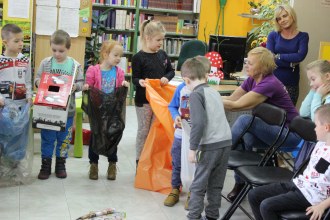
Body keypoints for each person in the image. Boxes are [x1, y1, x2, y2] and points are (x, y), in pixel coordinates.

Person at [222, 47, 301, 202]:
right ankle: (240, 184)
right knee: (246, 137)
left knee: (244, 120)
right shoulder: (252, 79)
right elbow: (232, 99)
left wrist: (207, 99)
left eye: (250, 63)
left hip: (289, 136)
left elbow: (235, 106)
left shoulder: (269, 83)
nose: (246, 66)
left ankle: (221, 151)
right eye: (246, 62)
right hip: (274, 131)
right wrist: (211, 98)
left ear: (262, 67)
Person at [248, 104, 330, 220]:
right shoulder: (320, 143)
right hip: (299, 184)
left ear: (327, 127)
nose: (314, 129)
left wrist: (322, 206)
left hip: (313, 197)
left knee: (267, 206)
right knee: (254, 195)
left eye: (316, 125)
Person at [180, 57, 232, 220]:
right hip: (226, 142)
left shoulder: (195, 95)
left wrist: (192, 149)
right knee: (216, 184)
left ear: (186, 80)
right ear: (206, 76)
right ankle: (212, 216)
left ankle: (194, 216)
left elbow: (198, 124)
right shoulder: (214, 91)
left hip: (210, 146)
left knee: (198, 184)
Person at [34, 30, 84, 180]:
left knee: (64, 138)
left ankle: (61, 164)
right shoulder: (46, 63)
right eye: (54, 50)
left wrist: (76, 86)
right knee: (48, 137)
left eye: (61, 51)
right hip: (48, 110)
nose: (57, 54)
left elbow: (81, 82)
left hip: (66, 110)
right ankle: (46, 164)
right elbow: (37, 78)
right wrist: (39, 83)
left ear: (68, 48)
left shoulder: (74, 65)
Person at [164, 56, 211, 208]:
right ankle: (175, 189)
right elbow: (172, 106)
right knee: (177, 162)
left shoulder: (206, 91)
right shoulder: (181, 88)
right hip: (180, 135)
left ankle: (194, 192)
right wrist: (176, 116)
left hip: (198, 139)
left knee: (197, 165)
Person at [83, 40, 129, 180]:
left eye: (120, 56)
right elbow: (89, 85)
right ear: (105, 54)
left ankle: (112, 164)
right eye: (115, 55)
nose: (118, 58)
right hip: (98, 111)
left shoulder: (119, 72)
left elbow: (121, 86)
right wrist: (86, 87)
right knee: (96, 135)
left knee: (112, 135)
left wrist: (125, 84)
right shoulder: (93, 70)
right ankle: (94, 165)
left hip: (113, 111)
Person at [131, 20, 175, 165]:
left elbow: (171, 71)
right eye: (158, 40)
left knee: (154, 131)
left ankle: (151, 161)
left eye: (162, 40)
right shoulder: (138, 57)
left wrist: (166, 78)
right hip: (143, 101)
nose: (161, 43)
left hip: (160, 100)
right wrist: (140, 82)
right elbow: (134, 78)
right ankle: (139, 161)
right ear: (147, 38)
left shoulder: (162, 55)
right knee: (143, 132)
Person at [266, 4, 309, 105]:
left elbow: (300, 56)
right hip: (272, 81)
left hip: (291, 83)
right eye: (279, 19)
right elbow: (269, 57)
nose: (282, 20)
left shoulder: (303, 36)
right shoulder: (273, 35)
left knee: (287, 116)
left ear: (292, 15)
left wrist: (278, 56)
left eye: (285, 16)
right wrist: (290, 64)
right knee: (267, 113)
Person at [0, 23, 32, 108]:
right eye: (16, 41)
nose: (21, 43)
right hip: (3, 106)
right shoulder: (1, 61)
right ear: (5, 43)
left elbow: (28, 81)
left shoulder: (25, 60)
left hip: (21, 106)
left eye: (22, 40)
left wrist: (29, 97)